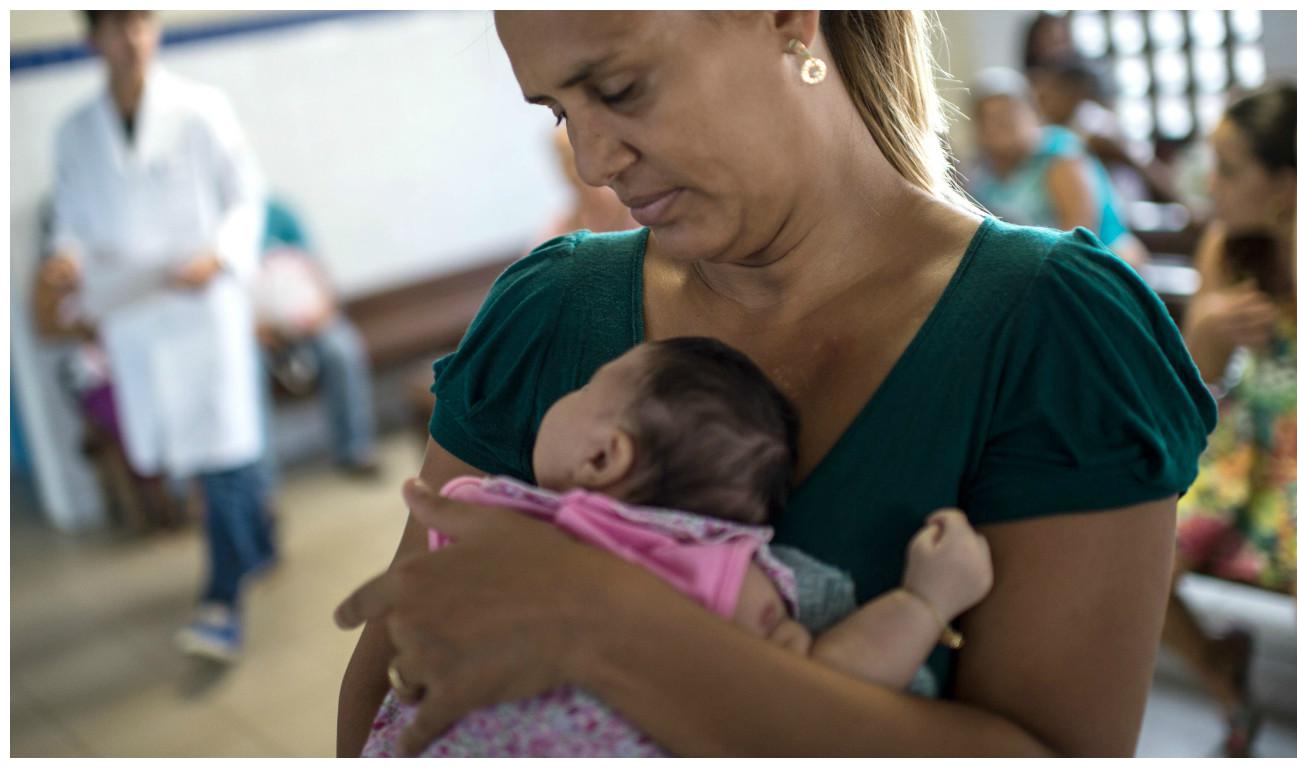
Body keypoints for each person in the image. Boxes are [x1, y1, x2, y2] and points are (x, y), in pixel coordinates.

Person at [335, 12, 1216, 757]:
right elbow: (392, 681)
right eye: (561, 112)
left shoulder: (1053, 330)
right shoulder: (550, 312)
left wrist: (611, 629)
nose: (594, 163)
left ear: (792, 17)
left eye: (618, 88)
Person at [362, 337, 993, 756]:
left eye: (585, 390)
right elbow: (830, 679)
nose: (567, 395)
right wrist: (922, 603)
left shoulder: (510, 523)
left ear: (603, 455)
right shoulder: (731, 574)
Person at [49, 10, 274, 662]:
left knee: (224, 454)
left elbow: (246, 196)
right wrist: (65, 257)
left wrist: (223, 254)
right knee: (205, 455)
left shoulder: (201, 108)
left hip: (203, 306)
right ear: (94, 39)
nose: (133, 39)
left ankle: (220, 602)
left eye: (141, 22)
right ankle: (258, 547)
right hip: (135, 316)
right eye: (117, 27)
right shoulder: (75, 134)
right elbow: (71, 217)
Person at [1164, 81, 1297, 757]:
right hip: (1250, 455)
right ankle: (1221, 671)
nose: (1209, 184)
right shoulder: (1230, 247)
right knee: (1134, 552)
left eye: (1228, 167)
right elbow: (1192, 385)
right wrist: (1207, 340)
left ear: (1284, 182)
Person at [966, 66, 1149, 269]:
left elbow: (1079, 235)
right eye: (989, 119)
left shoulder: (1060, 153)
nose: (999, 127)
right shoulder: (982, 172)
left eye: (1008, 115)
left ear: (1031, 112)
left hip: (1096, 262)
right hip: (1032, 269)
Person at [255, 197, 380, 477]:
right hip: (256, 335)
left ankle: (355, 451)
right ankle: (262, 482)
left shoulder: (278, 213)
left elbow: (316, 270)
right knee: (245, 374)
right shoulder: (213, 224)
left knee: (342, 348)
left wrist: (322, 310)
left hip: (310, 322)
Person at [1028, 57, 1181, 207]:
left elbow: (1142, 165)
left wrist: (1180, 202)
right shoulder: (1054, 125)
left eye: (1053, 92)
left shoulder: (1095, 127)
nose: (1044, 100)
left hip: (1122, 205)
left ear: (1074, 94)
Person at [537, 124, 638, 242]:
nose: (573, 171)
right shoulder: (561, 228)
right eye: (565, 161)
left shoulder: (632, 207)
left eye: (573, 158)